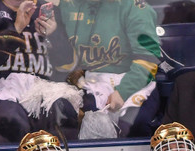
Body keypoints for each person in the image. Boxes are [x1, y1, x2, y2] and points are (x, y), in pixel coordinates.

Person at [0, 0, 81, 143]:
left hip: (42, 89)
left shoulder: (47, 9)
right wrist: (15, 28)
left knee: (65, 114)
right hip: (0, 92)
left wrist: (54, 35)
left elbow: (68, 65)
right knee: (11, 122)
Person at [52, 0, 162, 139]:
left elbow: (148, 60)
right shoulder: (67, 6)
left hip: (133, 80)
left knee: (136, 125)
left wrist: (123, 92)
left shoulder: (137, 9)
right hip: (89, 82)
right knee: (70, 120)